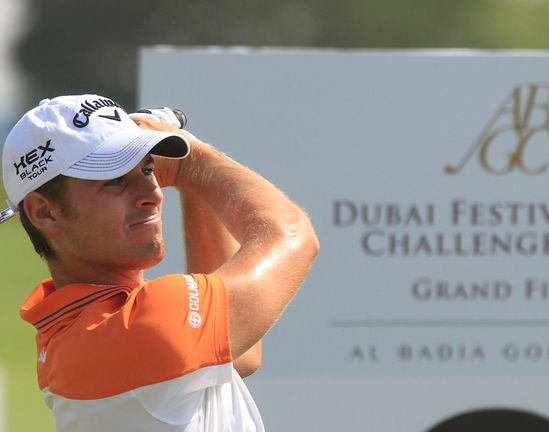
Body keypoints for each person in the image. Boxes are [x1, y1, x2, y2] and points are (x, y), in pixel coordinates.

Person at [1, 94, 320, 431]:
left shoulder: (73, 330)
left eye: (147, 169)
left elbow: (239, 356)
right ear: (44, 212)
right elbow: (292, 234)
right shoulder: (138, 329)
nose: (152, 194)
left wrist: (192, 182)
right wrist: (190, 162)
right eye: (115, 180)